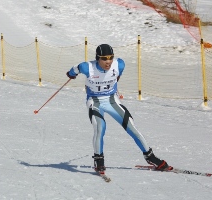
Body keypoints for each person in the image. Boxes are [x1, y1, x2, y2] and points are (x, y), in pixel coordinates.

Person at [66, 44, 172, 173]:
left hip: (112, 101)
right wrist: (71, 74)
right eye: (104, 59)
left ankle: (151, 157)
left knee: (132, 127)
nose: (108, 62)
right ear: (98, 58)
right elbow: (73, 70)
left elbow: (117, 76)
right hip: (94, 101)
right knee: (100, 127)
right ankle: (99, 160)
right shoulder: (87, 67)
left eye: (110, 58)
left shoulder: (119, 64)